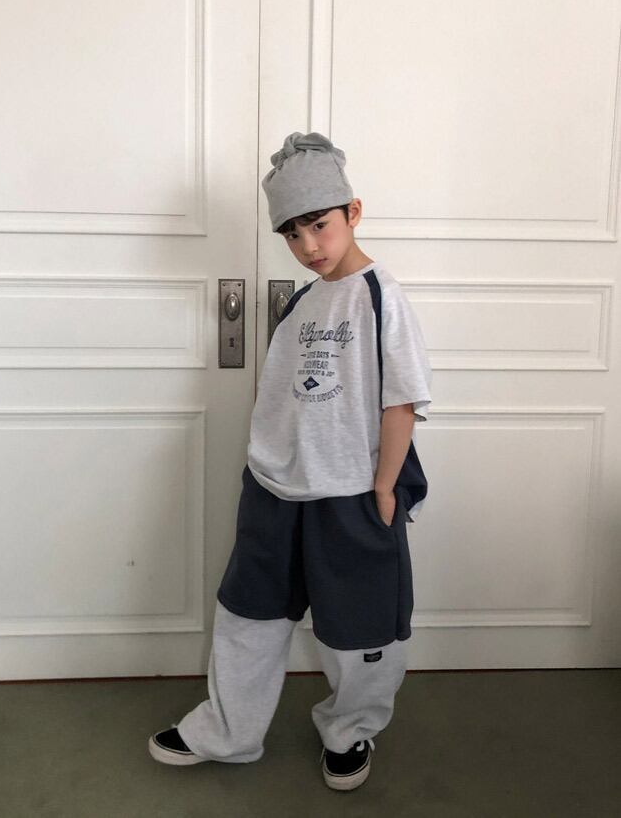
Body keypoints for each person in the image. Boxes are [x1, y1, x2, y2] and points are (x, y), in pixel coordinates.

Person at [149, 131, 432, 791]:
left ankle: (349, 728)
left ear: (353, 212)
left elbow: (402, 399)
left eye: (319, 225)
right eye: (292, 233)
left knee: (360, 629)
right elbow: (279, 393)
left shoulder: (380, 295)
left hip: (351, 493)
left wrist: (384, 487)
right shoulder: (304, 300)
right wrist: (262, 463)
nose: (308, 245)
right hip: (275, 491)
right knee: (248, 614)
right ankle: (230, 730)